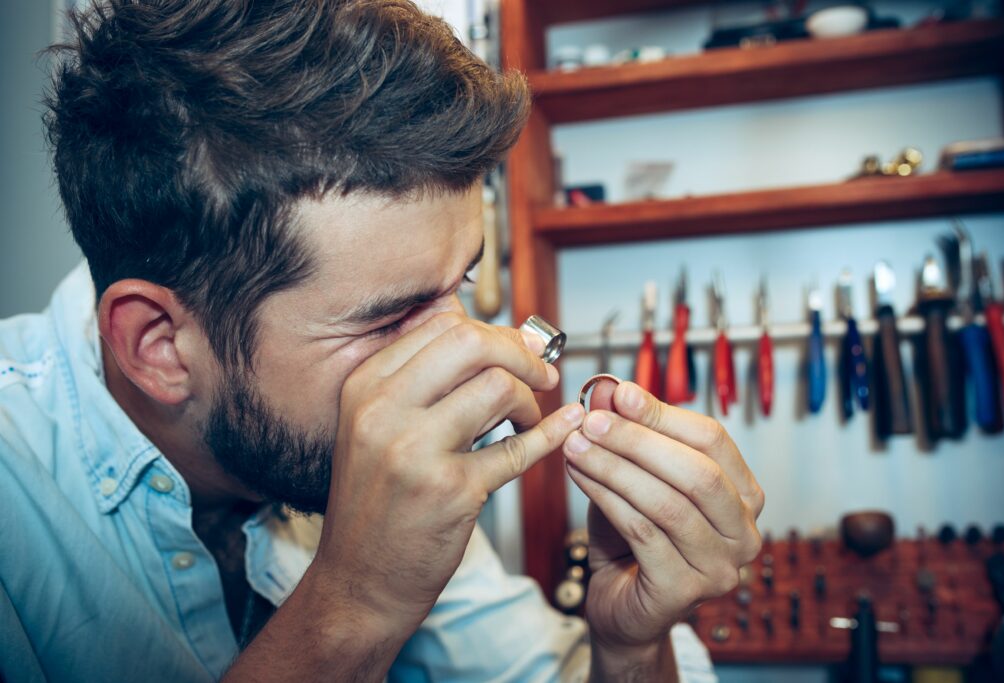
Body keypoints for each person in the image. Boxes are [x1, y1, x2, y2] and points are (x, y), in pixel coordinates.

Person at [0, 1, 765, 680]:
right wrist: (355, 604)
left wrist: (630, 648)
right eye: (390, 320)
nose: (471, 365)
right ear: (160, 345)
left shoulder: (387, 453)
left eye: (461, 285)